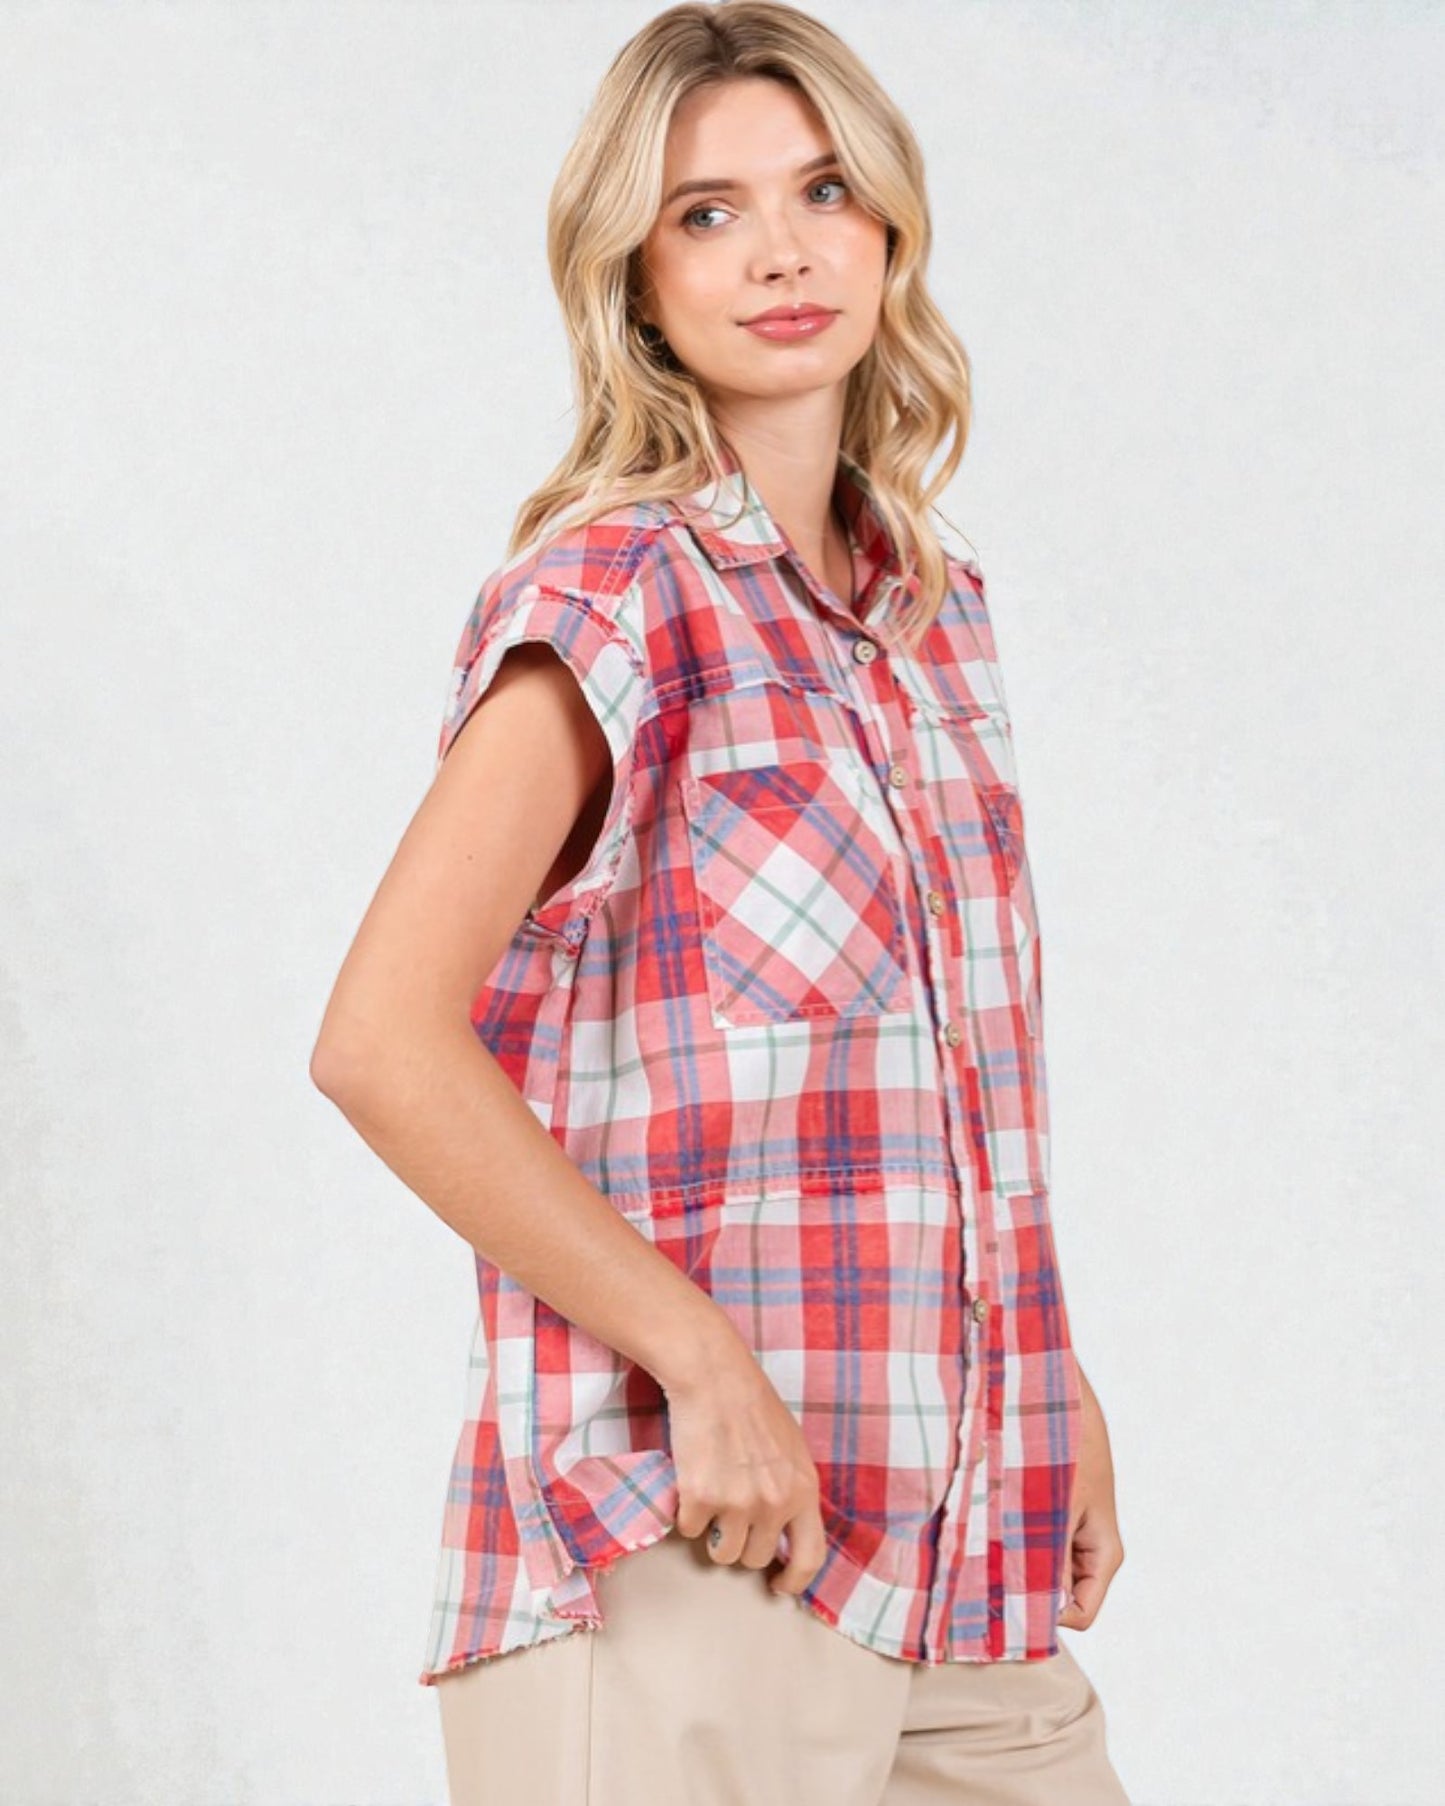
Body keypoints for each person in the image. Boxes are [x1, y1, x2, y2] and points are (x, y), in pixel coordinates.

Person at [310, 3, 1131, 1802]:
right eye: (706, 210)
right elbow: (378, 1040)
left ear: (890, 227)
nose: (778, 247)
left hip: (956, 1545)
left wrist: (1045, 1376)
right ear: (632, 272)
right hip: (684, 1550)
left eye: (823, 187)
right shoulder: (618, 595)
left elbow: (949, 1080)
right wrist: (698, 1355)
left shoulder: (930, 620)